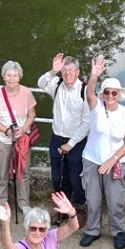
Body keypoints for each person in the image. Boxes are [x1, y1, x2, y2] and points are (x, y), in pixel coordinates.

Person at [79, 61, 125, 249]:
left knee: (115, 200)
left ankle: (118, 231)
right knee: (92, 199)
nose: (110, 96)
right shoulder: (95, 108)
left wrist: (113, 159)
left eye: (114, 92)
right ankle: (92, 230)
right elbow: (89, 93)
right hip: (92, 159)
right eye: (107, 92)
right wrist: (93, 75)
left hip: (116, 162)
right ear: (102, 94)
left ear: (119, 95)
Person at [38, 53, 92, 209]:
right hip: (56, 138)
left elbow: (87, 122)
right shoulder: (56, 84)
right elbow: (41, 83)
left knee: (75, 177)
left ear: (77, 72)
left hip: (77, 141)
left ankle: (80, 205)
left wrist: (70, 144)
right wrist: (52, 71)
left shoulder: (84, 90)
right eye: (64, 70)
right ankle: (63, 205)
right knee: (57, 178)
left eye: (71, 70)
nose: (67, 73)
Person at [0, 60, 39, 216]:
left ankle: (24, 203)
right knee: (1, 172)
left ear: (20, 77)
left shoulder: (27, 92)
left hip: (22, 140)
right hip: (2, 140)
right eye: (8, 75)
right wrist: (6, 131)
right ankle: (1, 204)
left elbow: (32, 114)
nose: (11, 79)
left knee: (24, 171)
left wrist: (23, 129)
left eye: (15, 75)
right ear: (3, 77)